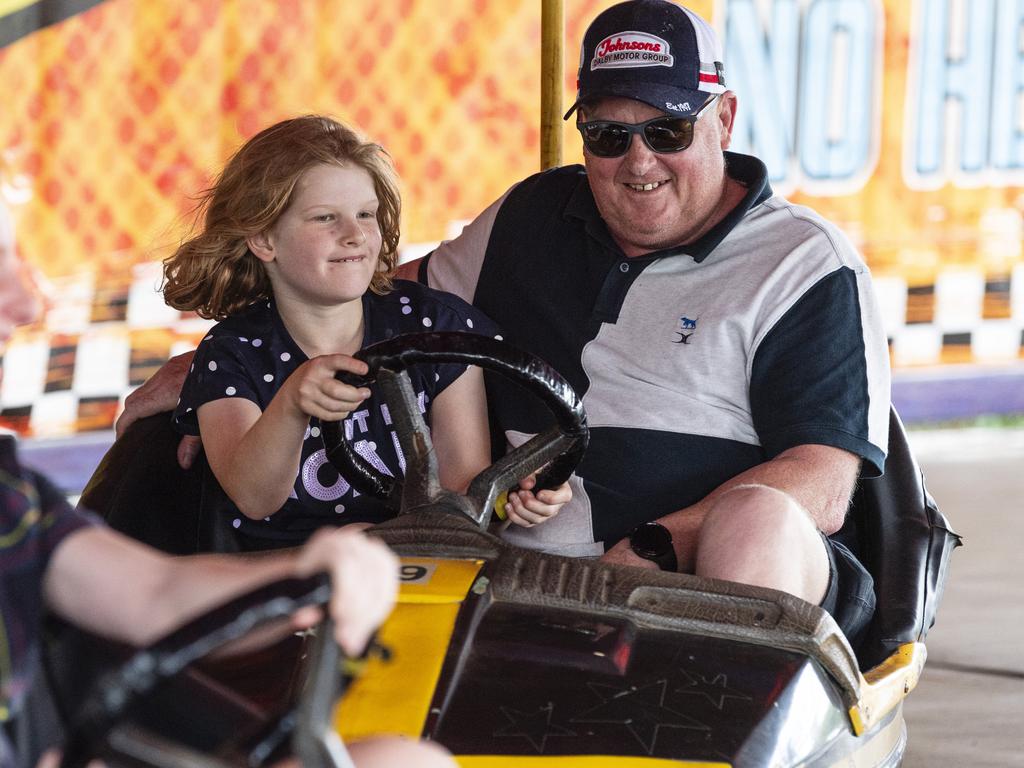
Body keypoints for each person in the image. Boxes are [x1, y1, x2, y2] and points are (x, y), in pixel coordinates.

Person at [121, 1, 890, 646]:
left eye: (667, 131)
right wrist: (224, 375)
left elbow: (821, 484)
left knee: (757, 517)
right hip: (498, 569)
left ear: (723, 117)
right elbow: (368, 301)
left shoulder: (801, 264)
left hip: (691, 587)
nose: (638, 161)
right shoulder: (532, 215)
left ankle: (718, 732)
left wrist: (657, 545)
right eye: (608, 135)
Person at [0, 192, 454, 768]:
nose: (23, 303)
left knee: (405, 762)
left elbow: (152, 593)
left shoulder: (10, 496)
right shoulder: (236, 355)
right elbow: (256, 497)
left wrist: (309, 574)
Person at [162, 115, 569, 549]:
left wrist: (514, 498)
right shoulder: (232, 354)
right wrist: (292, 405)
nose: (355, 235)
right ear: (264, 240)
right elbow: (255, 498)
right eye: (324, 218)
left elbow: (459, 492)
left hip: (421, 559)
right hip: (286, 575)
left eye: (365, 214)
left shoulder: (437, 329)